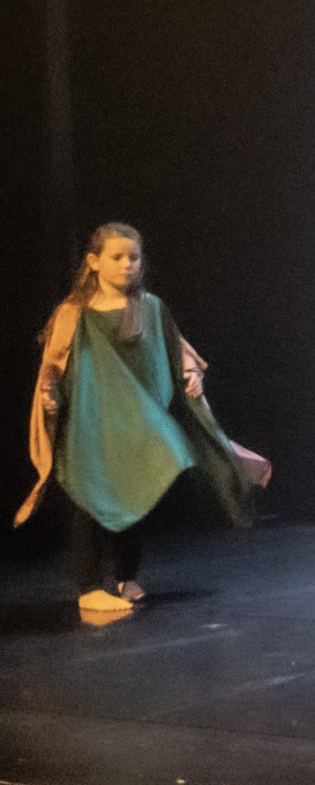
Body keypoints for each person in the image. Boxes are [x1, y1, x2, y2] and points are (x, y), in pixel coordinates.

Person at [17, 224, 270, 616]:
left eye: (133, 257)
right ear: (93, 261)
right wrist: (50, 394)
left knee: (130, 492)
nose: (127, 265)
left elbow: (176, 348)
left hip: (132, 420)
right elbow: (54, 363)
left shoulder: (150, 307)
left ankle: (127, 576)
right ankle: (89, 588)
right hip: (89, 422)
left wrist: (191, 372)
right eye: (116, 257)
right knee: (89, 498)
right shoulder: (74, 312)